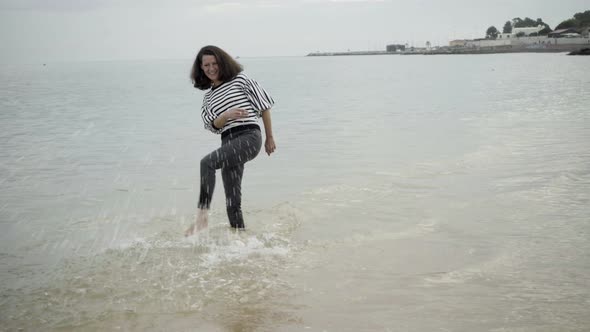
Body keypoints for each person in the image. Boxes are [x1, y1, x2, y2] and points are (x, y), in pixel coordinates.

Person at [185, 45, 276, 236]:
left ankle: (202, 218)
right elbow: (212, 126)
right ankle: (242, 243)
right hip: (228, 142)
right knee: (232, 202)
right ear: (201, 68)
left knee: (207, 163)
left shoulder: (240, 79)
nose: (211, 68)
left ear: (222, 62)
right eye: (206, 65)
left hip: (249, 136)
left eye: (214, 63)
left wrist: (269, 137)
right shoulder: (208, 98)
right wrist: (225, 115)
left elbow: (265, 105)